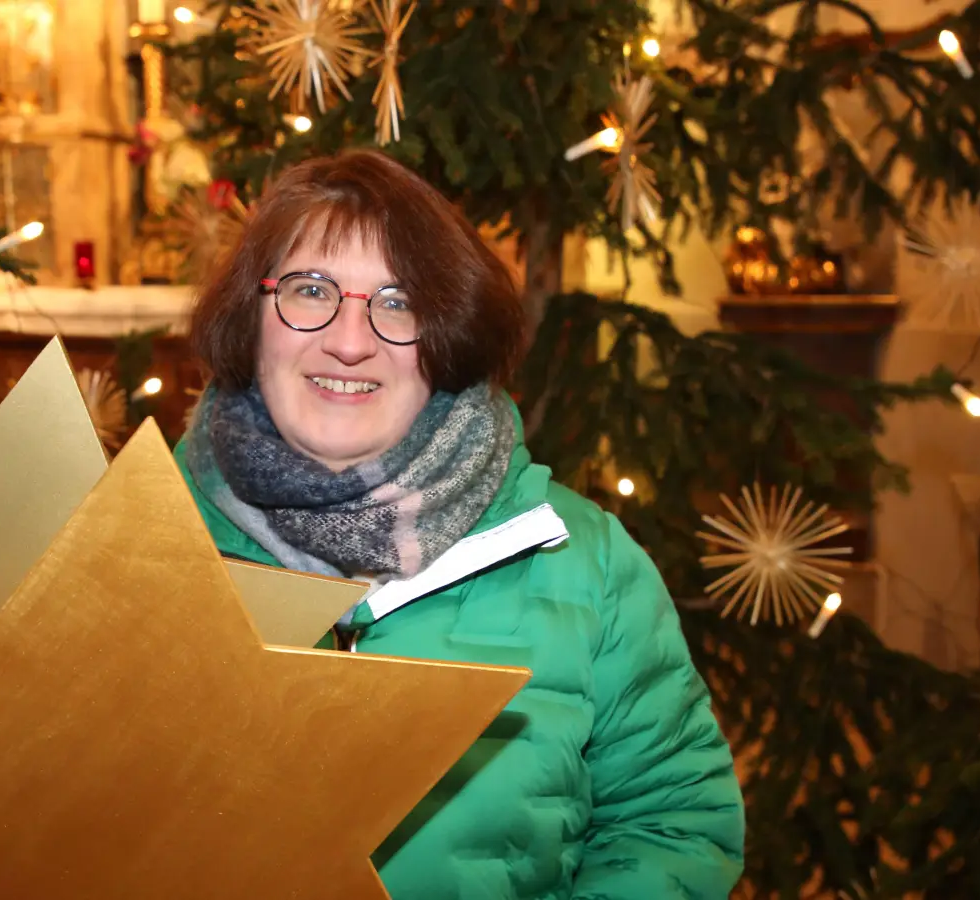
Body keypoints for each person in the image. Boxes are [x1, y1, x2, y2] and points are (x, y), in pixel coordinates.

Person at [176, 149, 745, 899]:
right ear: (250, 317)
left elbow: (673, 823)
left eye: (398, 301)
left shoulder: (587, 565)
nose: (351, 340)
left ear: (445, 336)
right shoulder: (142, 547)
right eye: (311, 290)